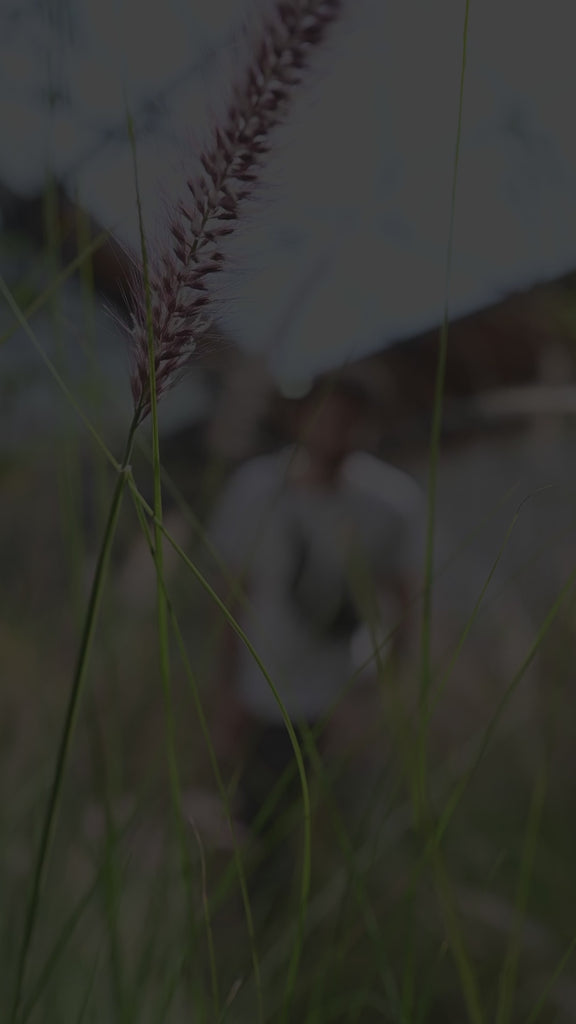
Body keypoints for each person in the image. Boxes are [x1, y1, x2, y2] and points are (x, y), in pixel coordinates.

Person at [208, 371, 423, 838]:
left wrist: (383, 696)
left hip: (344, 702)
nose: (335, 429)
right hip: (265, 698)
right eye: (323, 415)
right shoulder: (255, 489)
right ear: (297, 418)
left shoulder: (391, 503)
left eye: (350, 418)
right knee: (262, 833)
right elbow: (230, 598)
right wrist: (226, 692)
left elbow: (406, 604)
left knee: (339, 833)